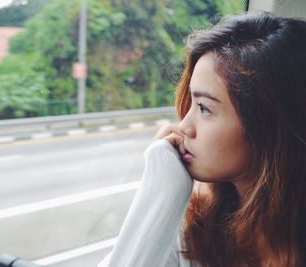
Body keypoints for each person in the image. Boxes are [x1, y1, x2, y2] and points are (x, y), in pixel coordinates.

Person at [98, 11, 306, 267]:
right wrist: (159, 193)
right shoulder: (194, 230)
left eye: (204, 108)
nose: (183, 126)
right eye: (191, 104)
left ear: (268, 124)